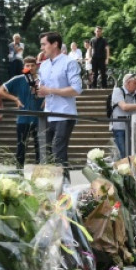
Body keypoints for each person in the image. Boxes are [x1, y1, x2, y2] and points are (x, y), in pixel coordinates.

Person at [36, 31, 83, 172]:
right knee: (46, 153)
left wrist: (50, 90)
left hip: (64, 114)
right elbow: (42, 90)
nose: (42, 48)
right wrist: (38, 91)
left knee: (58, 152)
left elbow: (77, 89)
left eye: (44, 44)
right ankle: (53, 186)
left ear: (55, 44)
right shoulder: (43, 66)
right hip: (47, 114)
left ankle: (65, 187)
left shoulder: (69, 62)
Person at [0, 56, 44, 168]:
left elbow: (47, 92)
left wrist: (47, 99)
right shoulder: (18, 79)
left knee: (40, 146)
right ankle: (19, 170)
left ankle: (40, 171)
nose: (30, 68)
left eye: (32, 65)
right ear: (24, 67)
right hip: (23, 118)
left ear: (36, 67)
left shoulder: (41, 79)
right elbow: (0, 90)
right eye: (27, 66)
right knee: (21, 146)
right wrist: (15, 99)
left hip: (39, 118)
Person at [110, 74, 136, 158]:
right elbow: (124, 107)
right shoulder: (118, 91)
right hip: (120, 128)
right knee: (124, 154)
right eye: (135, 83)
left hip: (133, 128)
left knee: (134, 154)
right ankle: (123, 170)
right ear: (128, 83)